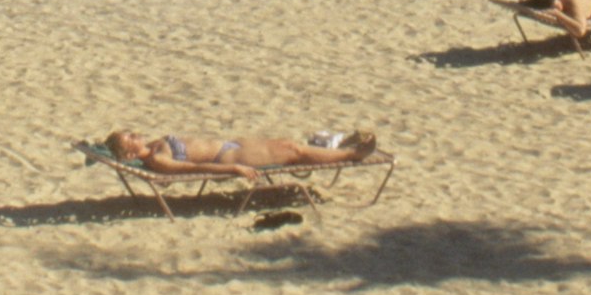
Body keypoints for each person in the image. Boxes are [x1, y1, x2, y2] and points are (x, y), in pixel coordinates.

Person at [102, 128, 383, 182]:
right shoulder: (158, 160)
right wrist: (234, 172)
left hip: (229, 146)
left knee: (285, 144)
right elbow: (192, 170)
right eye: (130, 138)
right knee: (293, 153)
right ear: (128, 153)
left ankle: (337, 149)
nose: (135, 134)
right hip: (228, 159)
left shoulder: (152, 146)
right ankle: (352, 154)